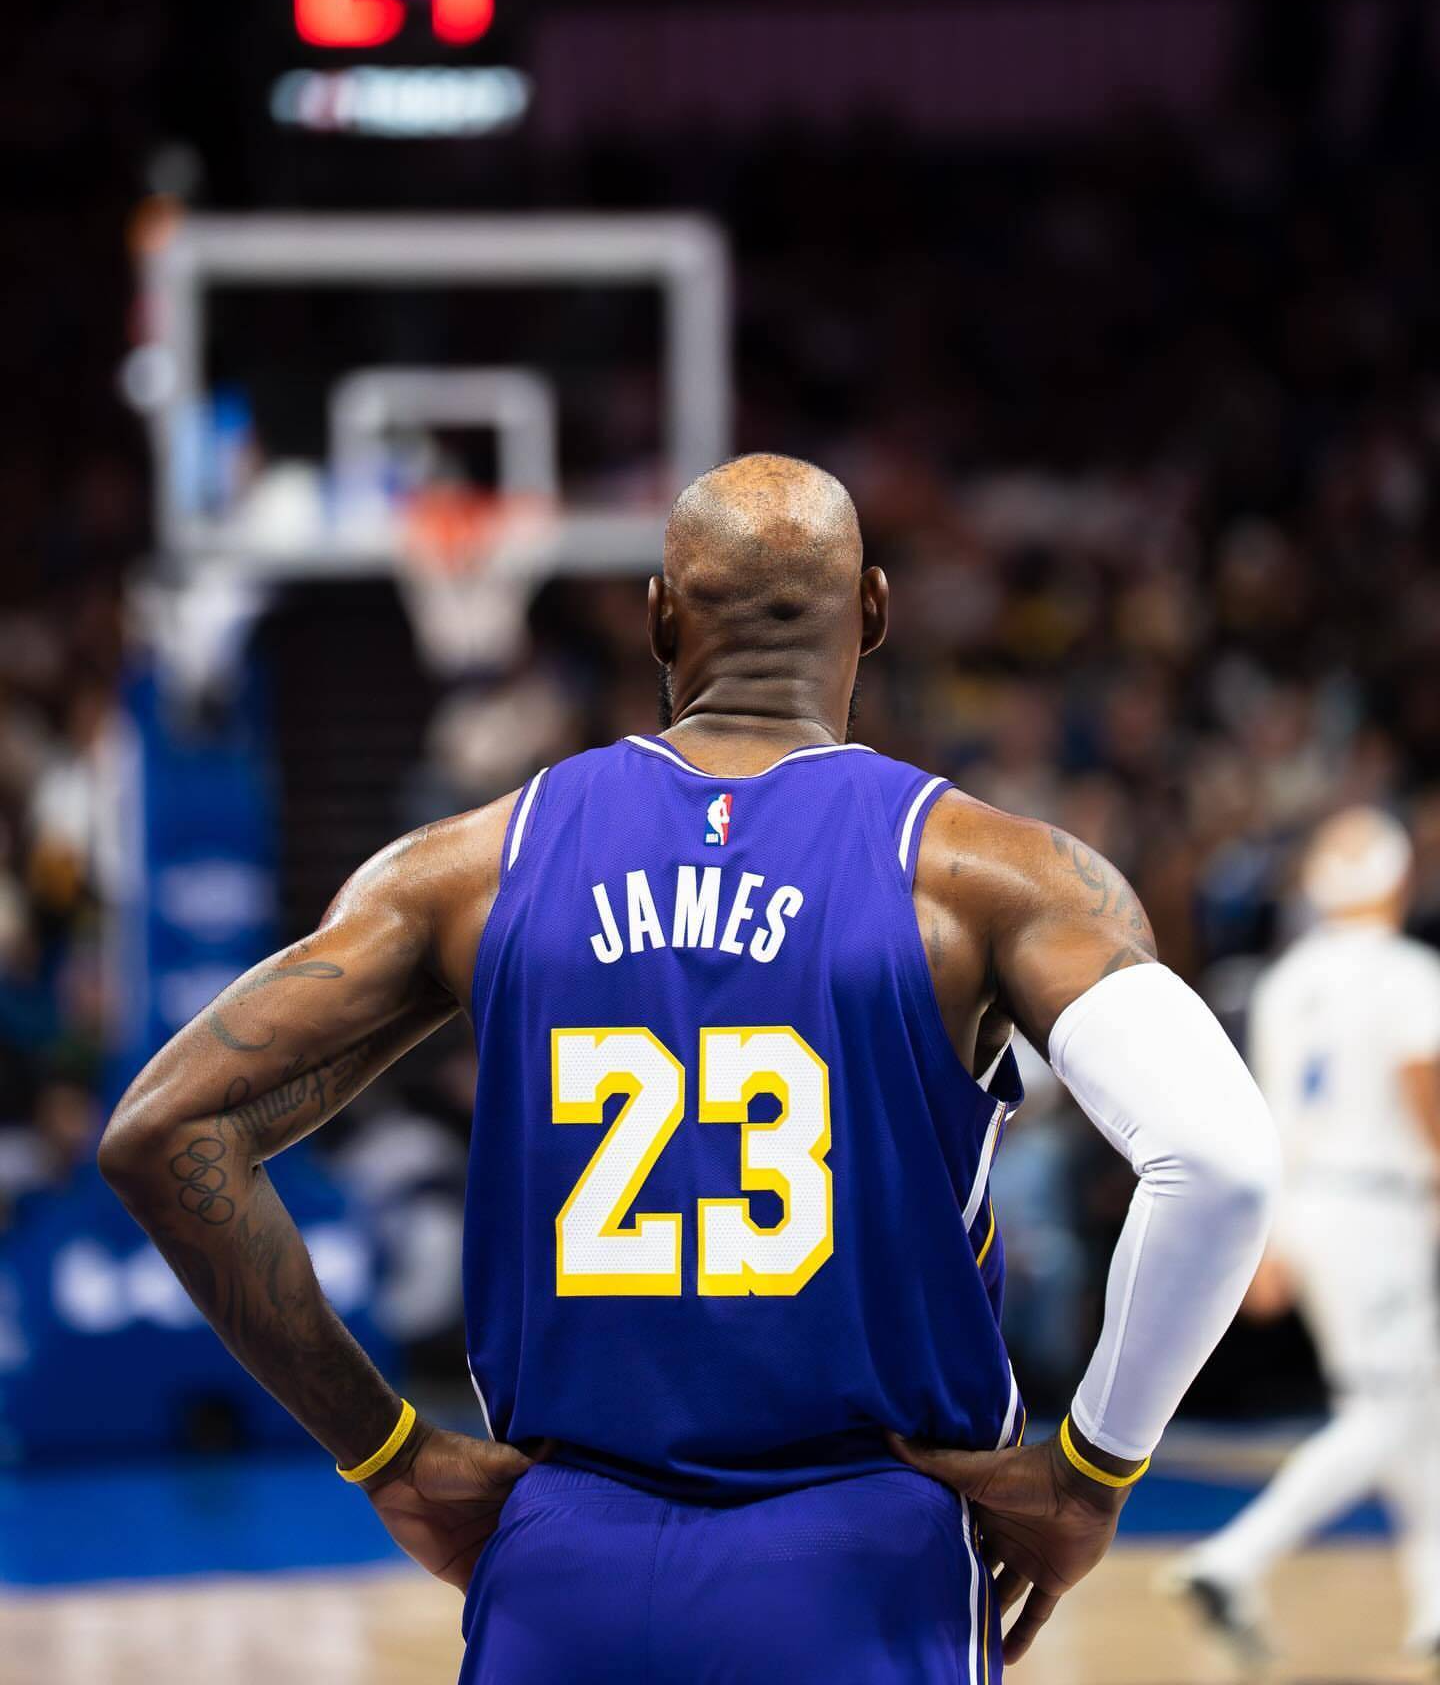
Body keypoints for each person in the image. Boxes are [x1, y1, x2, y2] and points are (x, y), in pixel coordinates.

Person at [100, 455, 1279, 1683]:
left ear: (661, 616)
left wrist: (387, 1452)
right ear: (874, 611)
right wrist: (1092, 1472)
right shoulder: (996, 877)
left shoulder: (470, 868)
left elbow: (165, 1131)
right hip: (867, 1563)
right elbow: (1223, 1164)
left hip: (562, 1567)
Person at [1173, 807, 1440, 1675]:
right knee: (1385, 1411)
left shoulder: (1288, 978)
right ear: (1397, 878)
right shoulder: (1408, 974)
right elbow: (1421, 1086)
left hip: (1307, 1207)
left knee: (1419, 1410)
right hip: (1380, 1208)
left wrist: (1268, 1235)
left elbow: (1269, 1113)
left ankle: (1435, 1607)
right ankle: (1232, 1557)